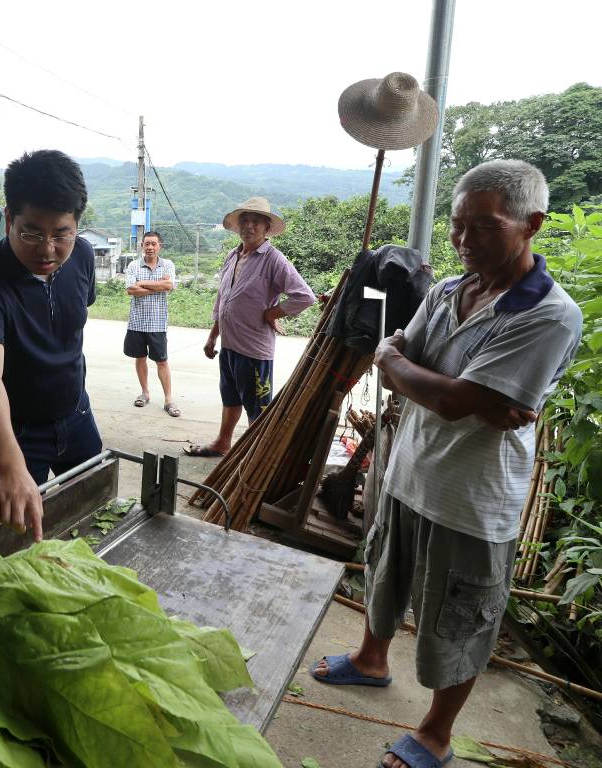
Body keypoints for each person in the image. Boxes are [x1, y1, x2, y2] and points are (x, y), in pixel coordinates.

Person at [311, 160, 583, 768]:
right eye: (458, 226)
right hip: (411, 471)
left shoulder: (549, 313)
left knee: (461, 617)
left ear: (530, 224)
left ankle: (436, 732)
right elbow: (431, 373)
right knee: (384, 574)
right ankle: (371, 661)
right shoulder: (446, 290)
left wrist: (414, 373)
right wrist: (445, 385)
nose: (464, 241)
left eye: (483, 228)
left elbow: (457, 400)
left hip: (473, 498)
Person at [0, 149, 101, 542]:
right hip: (21, 434)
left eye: (61, 234)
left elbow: (71, 323)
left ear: (77, 226)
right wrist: (8, 465)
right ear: (9, 219)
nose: (47, 250)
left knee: (96, 513)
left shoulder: (83, 256)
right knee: (24, 537)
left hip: (77, 415)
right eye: (32, 233)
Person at [185, 197, 315, 458]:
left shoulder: (274, 260)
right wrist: (213, 337)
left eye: (256, 221)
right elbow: (222, 299)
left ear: (266, 228)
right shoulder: (233, 256)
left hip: (254, 350)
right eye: (245, 220)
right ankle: (223, 442)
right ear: (238, 226)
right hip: (229, 346)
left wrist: (272, 313)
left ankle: (260, 456)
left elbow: (304, 296)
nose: (250, 226)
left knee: (258, 408)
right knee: (230, 397)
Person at [124, 231, 180, 417]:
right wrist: (158, 285)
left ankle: (168, 400)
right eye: (147, 244)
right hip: (137, 323)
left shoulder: (167, 265)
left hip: (158, 324)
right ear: (142, 245)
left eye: (153, 244)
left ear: (159, 246)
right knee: (139, 358)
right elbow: (131, 289)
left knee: (162, 362)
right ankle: (145, 393)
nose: (150, 247)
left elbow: (169, 286)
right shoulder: (133, 265)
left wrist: (144, 283)